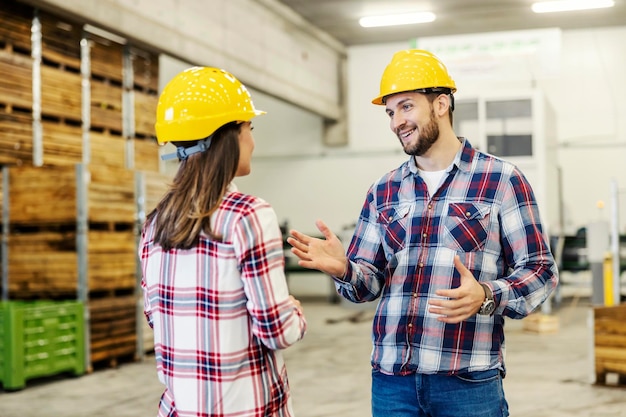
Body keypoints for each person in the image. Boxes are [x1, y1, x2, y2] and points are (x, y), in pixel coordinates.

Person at [287, 49, 558, 417]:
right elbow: (368, 285)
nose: (396, 121)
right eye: (390, 111)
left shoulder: (502, 180)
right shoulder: (383, 190)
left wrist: (486, 295)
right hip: (392, 383)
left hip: (467, 383)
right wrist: (344, 269)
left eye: (406, 106)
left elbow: (540, 270)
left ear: (441, 104)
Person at [140, 66, 307, 417]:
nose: (253, 140)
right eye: (249, 127)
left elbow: (157, 319)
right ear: (228, 136)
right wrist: (294, 309)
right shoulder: (248, 215)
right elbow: (279, 331)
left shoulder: (155, 223)